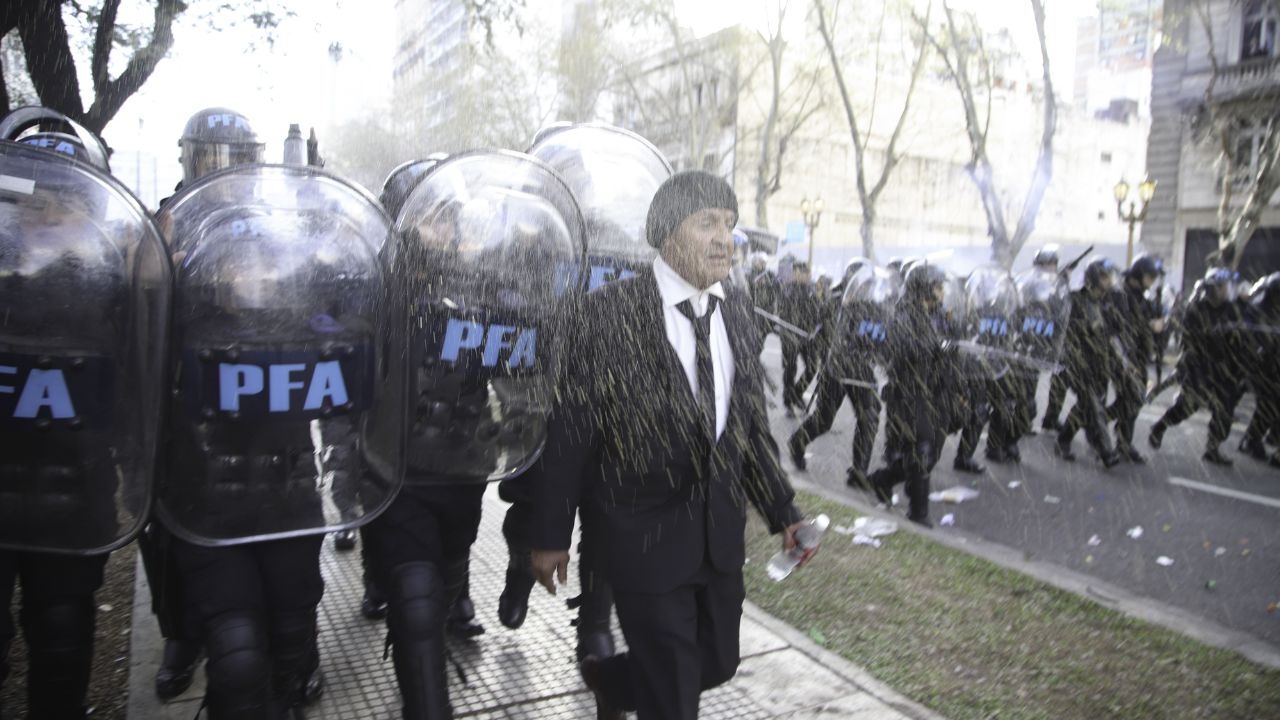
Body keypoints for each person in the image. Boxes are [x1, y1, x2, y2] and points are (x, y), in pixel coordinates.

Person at [527, 171, 814, 720]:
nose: (724, 238)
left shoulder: (737, 310)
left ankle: (612, 682)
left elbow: (748, 427)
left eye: (728, 225)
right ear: (667, 234)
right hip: (642, 537)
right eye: (707, 222)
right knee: (675, 696)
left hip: (718, 537)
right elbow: (570, 433)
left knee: (718, 662)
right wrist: (550, 534)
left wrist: (784, 513)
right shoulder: (608, 314)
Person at [869, 263, 957, 527]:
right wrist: (933, 346)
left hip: (930, 393)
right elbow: (900, 347)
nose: (942, 292)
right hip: (907, 394)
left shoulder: (937, 315)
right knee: (920, 451)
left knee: (924, 454)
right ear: (924, 289)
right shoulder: (904, 314)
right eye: (937, 287)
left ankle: (882, 480)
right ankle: (919, 512)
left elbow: (950, 346)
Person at [788, 260, 885, 490]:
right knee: (823, 419)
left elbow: (877, 338)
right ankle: (797, 443)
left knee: (869, 415)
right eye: (863, 282)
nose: (867, 287)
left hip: (861, 371)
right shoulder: (838, 302)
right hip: (838, 368)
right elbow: (827, 333)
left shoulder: (873, 306)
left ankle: (859, 471)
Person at [1149, 268, 1248, 465]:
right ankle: (1159, 427)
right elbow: (1188, 342)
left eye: (1226, 287)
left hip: (1223, 368)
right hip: (1199, 367)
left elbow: (1238, 338)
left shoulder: (1231, 309)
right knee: (1187, 408)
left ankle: (1212, 448)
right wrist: (1210, 335)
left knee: (1225, 410)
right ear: (1213, 288)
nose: (1225, 291)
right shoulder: (1197, 309)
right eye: (1222, 287)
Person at [1055, 257, 1123, 467]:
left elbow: (1112, 335)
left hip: (1099, 364)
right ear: (1093, 277)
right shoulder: (1076, 299)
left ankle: (1063, 439)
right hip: (1079, 363)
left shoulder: (1105, 302)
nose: (1108, 281)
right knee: (1094, 406)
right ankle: (1106, 451)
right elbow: (1066, 331)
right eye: (1104, 277)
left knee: (1085, 407)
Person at [1106, 253, 1165, 464]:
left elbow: (1148, 324)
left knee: (1133, 400)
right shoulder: (1121, 294)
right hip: (1121, 356)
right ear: (1139, 275)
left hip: (1138, 357)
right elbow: (1122, 325)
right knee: (1131, 398)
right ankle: (1096, 423)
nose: (1151, 282)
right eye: (1149, 277)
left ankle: (1120, 440)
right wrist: (1148, 325)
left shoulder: (1142, 296)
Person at [1239, 273, 1280, 467]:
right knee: (1269, 405)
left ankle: (1258, 438)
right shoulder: (1258, 310)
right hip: (1260, 369)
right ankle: (1252, 440)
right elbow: (1250, 340)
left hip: (1274, 368)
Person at [779, 262, 819, 416]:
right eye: (803, 273)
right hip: (790, 336)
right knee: (790, 369)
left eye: (808, 273)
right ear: (795, 273)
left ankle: (795, 394)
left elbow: (816, 312)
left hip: (807, 336)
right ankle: (788, 402)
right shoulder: (788, 290)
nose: (807, 276)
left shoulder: (811, 290)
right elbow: (783, 312)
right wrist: (790, 332)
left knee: (812, 366)